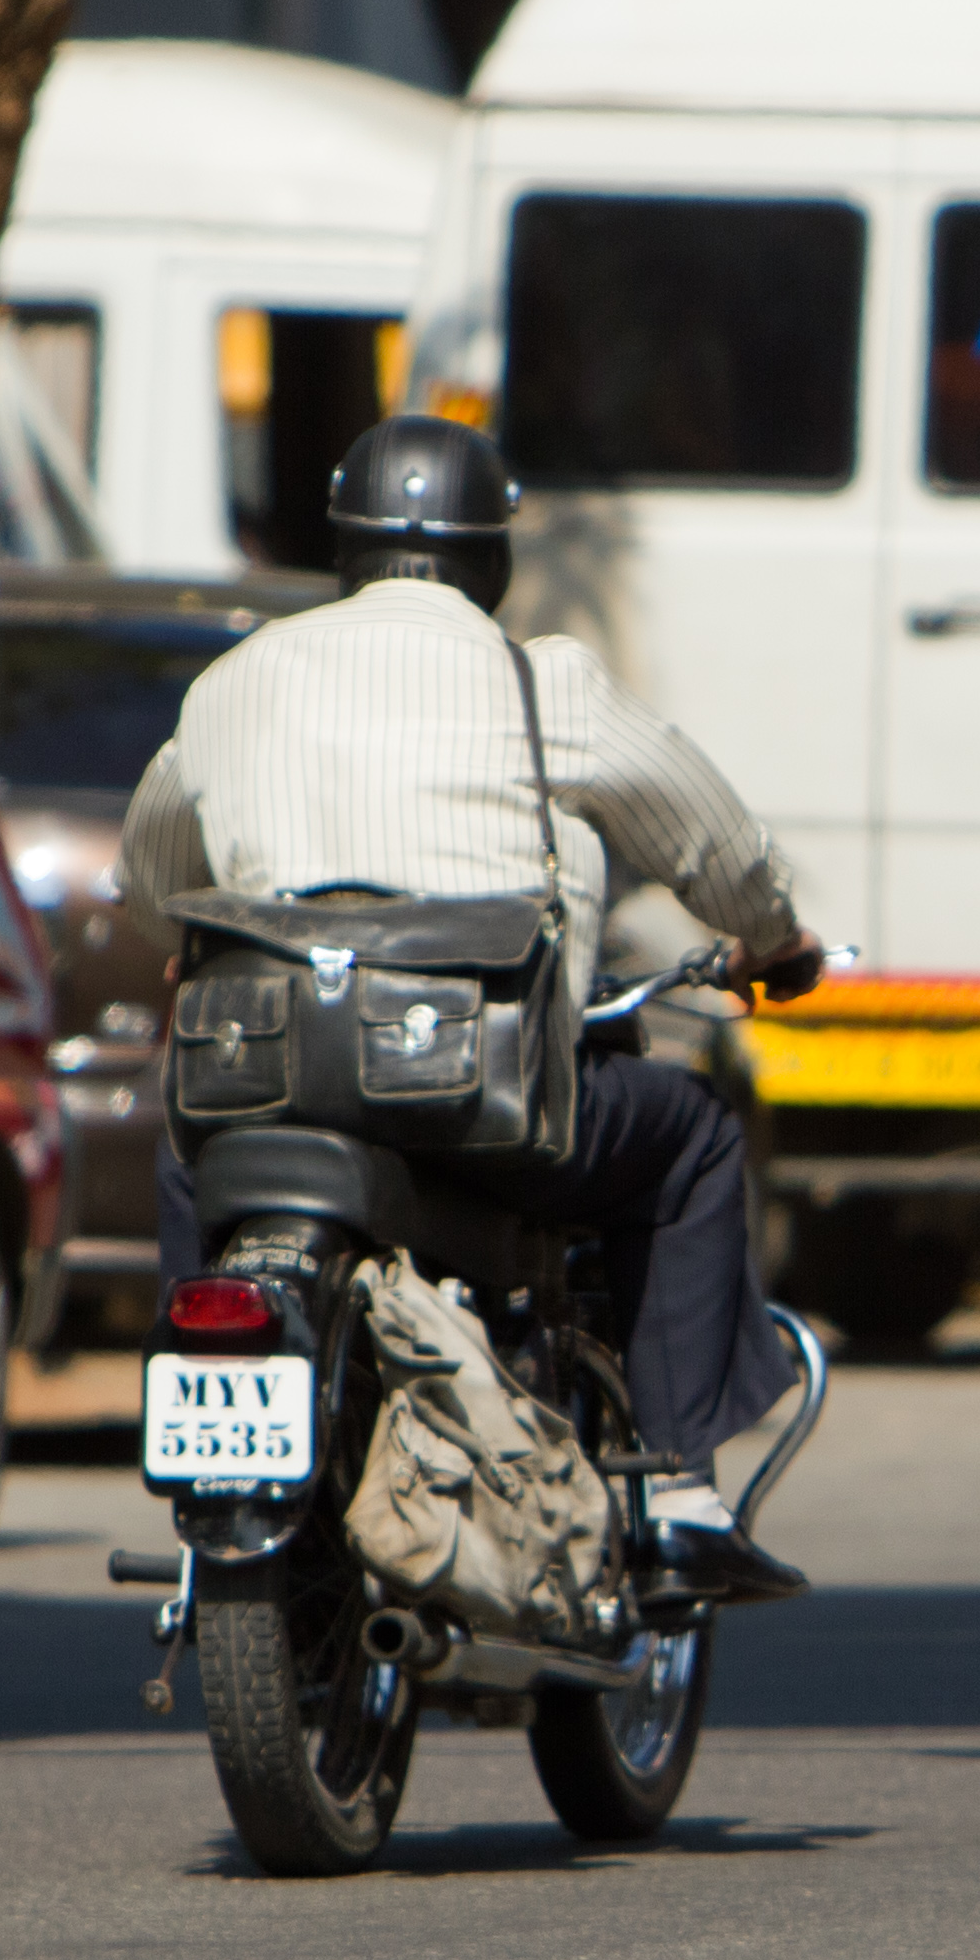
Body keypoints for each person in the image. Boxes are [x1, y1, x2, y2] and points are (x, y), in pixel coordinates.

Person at [121, 418, 828, 1602]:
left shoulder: (232, 680)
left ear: (344, 549)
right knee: (694, 1134)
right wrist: (773, 935)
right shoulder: (539, 679)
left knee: (192, 1145)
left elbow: (151, 881)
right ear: (488, 558)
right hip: (478, 1104)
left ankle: (219, 1464)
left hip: (262, 1093)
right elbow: (707, 832)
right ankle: (676, 1493)